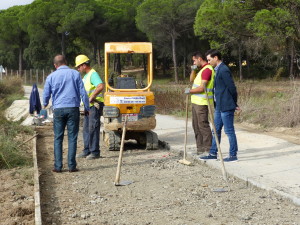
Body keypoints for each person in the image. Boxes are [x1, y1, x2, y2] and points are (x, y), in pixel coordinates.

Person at [43, 55, 89, 173]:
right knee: (72, 137)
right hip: (73, 108)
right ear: (66, 62)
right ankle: (71, 166)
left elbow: (46, 93)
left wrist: (44, 103)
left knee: (58, 138)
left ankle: (58, 167)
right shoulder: (75, 74)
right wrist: (87, 107)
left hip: (58, 109)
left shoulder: (51, 76)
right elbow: (83, 92)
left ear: (55, 65)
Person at [200, 49, 239, 162]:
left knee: (229, 131)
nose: (208, 62)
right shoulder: (217, 70)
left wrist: (234, 103)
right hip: (219, 106)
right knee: (215, 130)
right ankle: (213, 152)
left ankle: (233, 155)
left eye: (209, 60)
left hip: (226, 106)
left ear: (216, 58)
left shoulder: (224, 70)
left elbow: (232, 88)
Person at [184, 52, 215, 155]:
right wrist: (193, 69)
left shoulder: (207, 70)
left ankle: (208, 149)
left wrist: (190, 91)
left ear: (199, 59)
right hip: (195, 102)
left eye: (194, 60)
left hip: (202, 103)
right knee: (196, 126)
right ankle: (200, 149)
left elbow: (202, 88)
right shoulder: (201, 70)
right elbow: (191, 79)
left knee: (203, 125)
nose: (193, 62)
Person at [75, 55, 104, 160]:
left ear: (84, 65)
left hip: (94, 106)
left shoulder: (93, 74)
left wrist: (92, 96)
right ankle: (87, 150)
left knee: (93, 127)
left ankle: (95, 152)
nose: (78, 69)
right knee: (86, 128)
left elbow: (100, 86)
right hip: (88, 107)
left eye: (79, 66)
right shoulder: (86, 76)